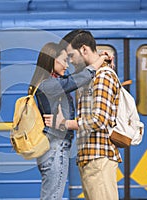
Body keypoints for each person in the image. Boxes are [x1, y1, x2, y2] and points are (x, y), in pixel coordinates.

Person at [44, 30, 122, 200]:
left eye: (71, 55)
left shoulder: (103, 77)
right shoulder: (93, 76)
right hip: (90, 157)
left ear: (84, 49)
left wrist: (64, 123)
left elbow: (99, 120)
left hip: (98, 157)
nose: (70, 61)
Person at [30, 42, 109, 200]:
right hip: (55, 147)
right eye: (64, 60)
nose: (67, 65)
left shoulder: (49, 82)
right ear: (52, 60)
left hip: (54, 147)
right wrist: (100, 59)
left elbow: (74, 78)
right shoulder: (48, 84)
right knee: (53, 197)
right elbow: (76, 80)